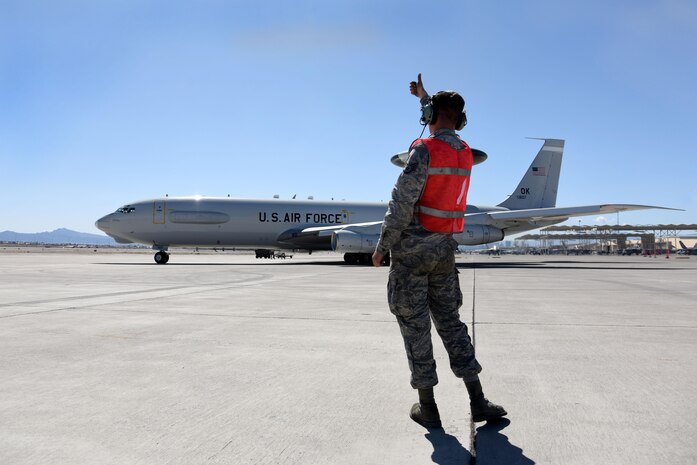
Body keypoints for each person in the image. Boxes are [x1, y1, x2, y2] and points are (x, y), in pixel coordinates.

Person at [372, 74, 506, 428]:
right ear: (462, 120)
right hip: (444, 252)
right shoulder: (463, 153)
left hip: (413, 253)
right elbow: (442, 123)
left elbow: (401, 202)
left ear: (430, 115)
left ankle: (427, 406)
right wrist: (425, 99)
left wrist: (383, 245)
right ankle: (478, 399)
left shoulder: (424, 150)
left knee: (415, 326)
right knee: (451, 323)